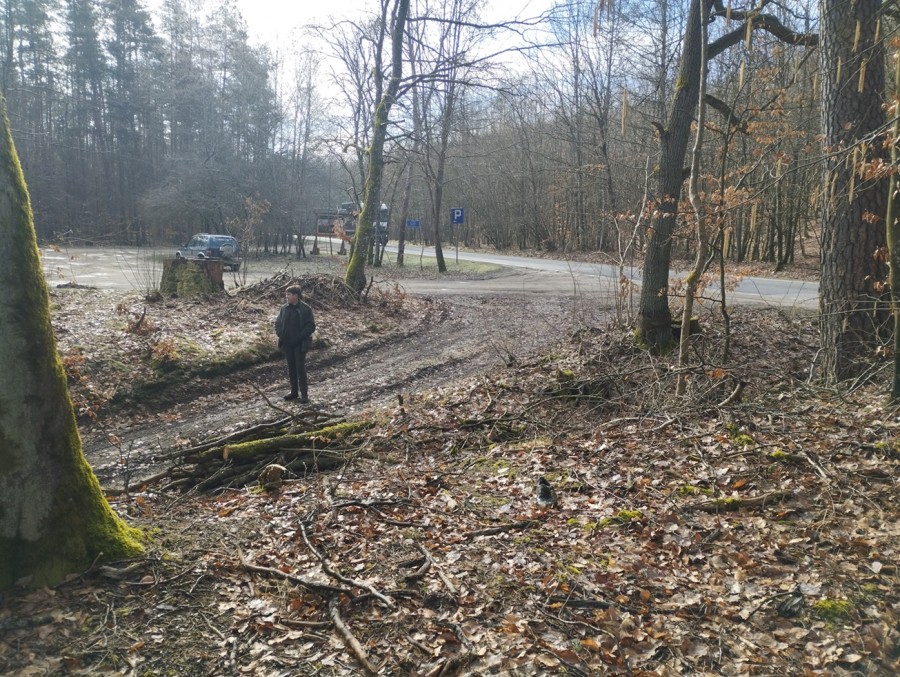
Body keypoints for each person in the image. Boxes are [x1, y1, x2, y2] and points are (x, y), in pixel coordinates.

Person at [275, 285, 316, 402]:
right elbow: (277, 323)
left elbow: (311, 325)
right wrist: (280, 333)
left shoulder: (306, 309)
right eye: (286, 294)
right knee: (291, 368)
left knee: (300, 368)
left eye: (288, 294)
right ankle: (294, 392)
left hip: (300, 343)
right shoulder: (284, 308)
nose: (286, 296)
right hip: (287, 343)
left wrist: (300, 337)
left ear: (296, 295)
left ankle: (304, 395)